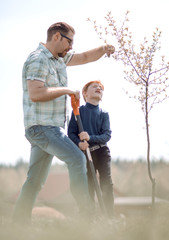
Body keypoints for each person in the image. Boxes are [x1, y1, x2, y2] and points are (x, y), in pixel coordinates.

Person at [13, 22, 115, 224]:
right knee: (77, 158)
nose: (71, 48)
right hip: (42, 127)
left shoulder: (58, 60)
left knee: (35, 180)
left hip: (48, 127)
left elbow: (85, 57)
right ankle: (87, 216)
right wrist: (66, 90)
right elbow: (36, 93)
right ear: (57, 37)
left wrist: (104, 49)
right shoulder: (38, 59)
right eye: (69, 42)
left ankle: (18, 224)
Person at [68, 80, 114, 217]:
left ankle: (109, 216)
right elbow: (70, 132)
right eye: (94, 87)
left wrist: (90, 138)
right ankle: (90, 218)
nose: (98, 88)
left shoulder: (104, 113)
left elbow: (107, 135)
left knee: (106, 182)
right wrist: (78, 143)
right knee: (89, 185)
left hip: (101, 151)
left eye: (100, 88)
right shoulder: (78, 111)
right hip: (85, 153)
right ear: (85, 94)